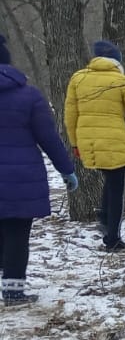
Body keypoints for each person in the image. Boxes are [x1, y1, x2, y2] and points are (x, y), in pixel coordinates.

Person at [0, 33, 78, 307]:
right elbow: (48, 138)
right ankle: (12, 291)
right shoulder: (29, 95)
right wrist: (67, 170)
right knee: (17, 233)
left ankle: (4, 268)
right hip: (22, 178)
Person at [63, 39, 125, 251]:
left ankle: (104, 217)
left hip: (88, 142)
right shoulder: (122, 81)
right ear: (117, 61)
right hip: (115, 143)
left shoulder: (78, 78)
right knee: (117, 188)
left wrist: (74, 144)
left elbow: (70, 116)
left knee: (110, 178)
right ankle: (112, 238)